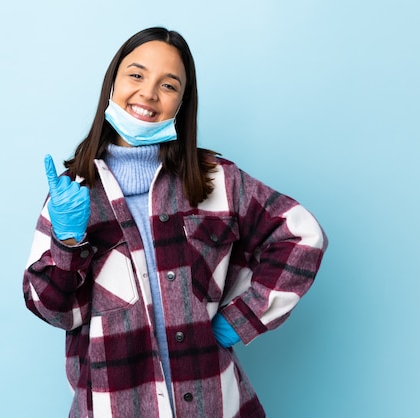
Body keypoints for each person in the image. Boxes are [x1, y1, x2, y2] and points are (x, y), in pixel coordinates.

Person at [23, 27, 327, 418]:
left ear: (182, 103)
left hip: (214, 402)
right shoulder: (73, 195)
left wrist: (240, 319)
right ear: (112, 83)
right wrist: (66, 242)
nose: (148, 93)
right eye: (136, 75)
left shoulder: (218, 181)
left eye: (168, 85)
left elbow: (301, 236)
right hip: (114, 404)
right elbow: (54, 310)